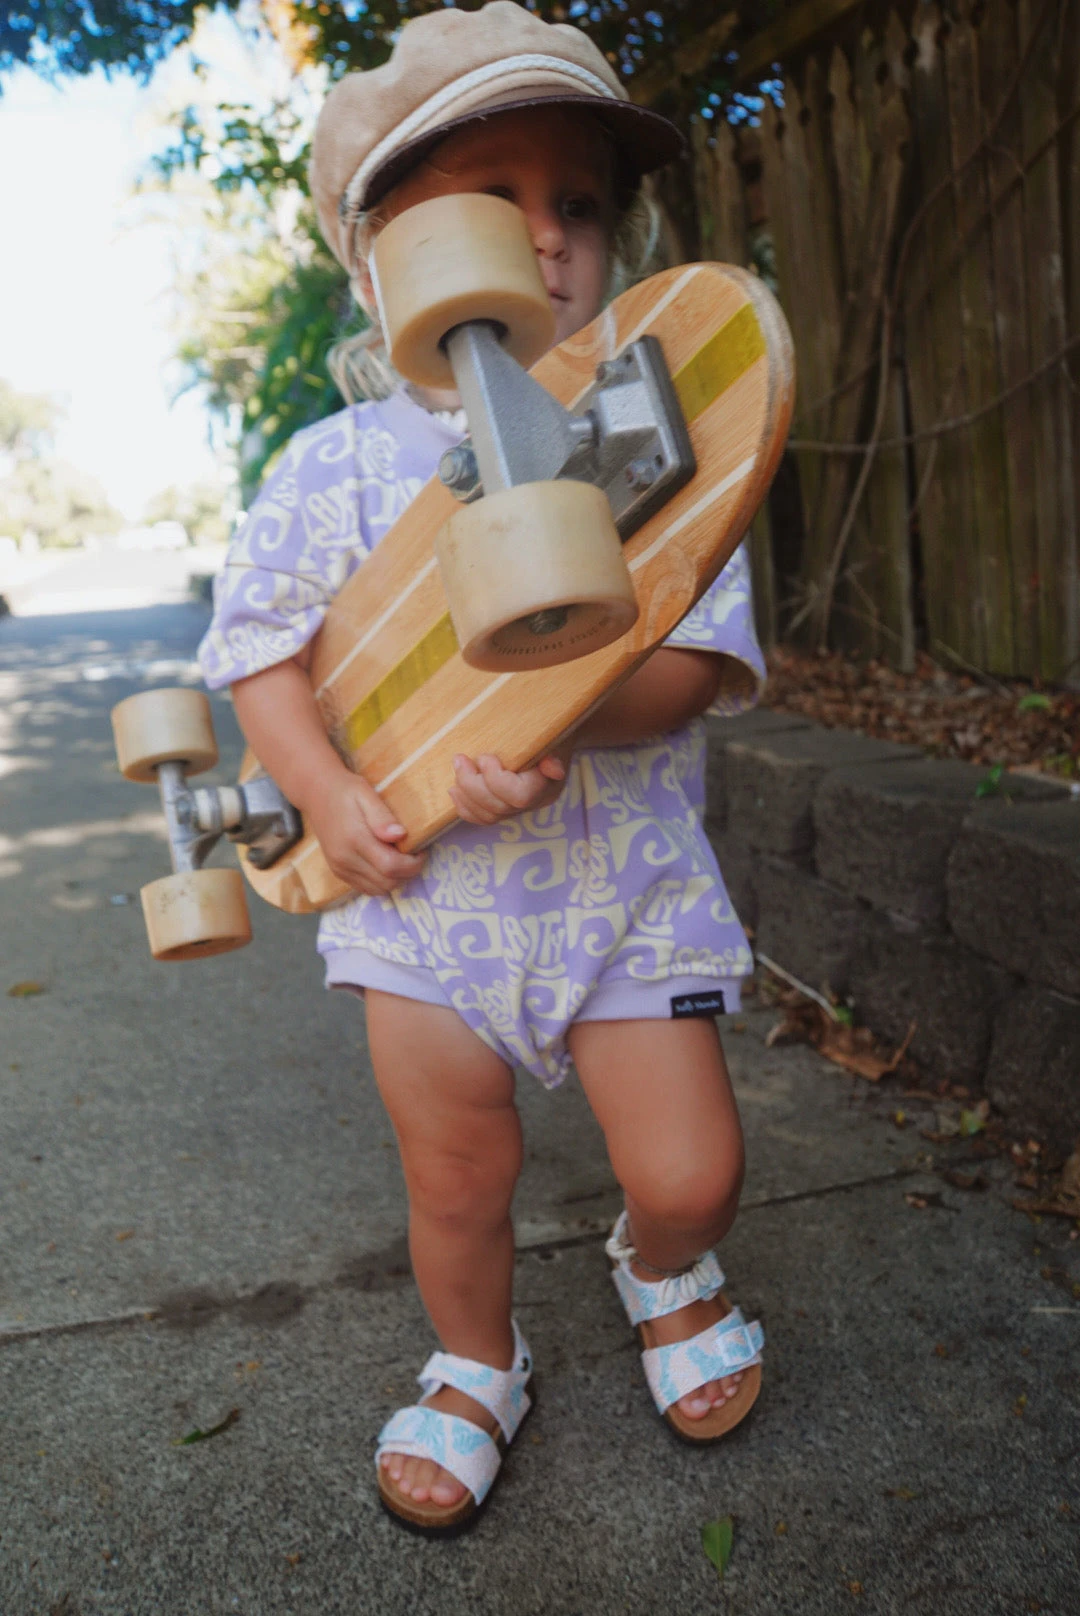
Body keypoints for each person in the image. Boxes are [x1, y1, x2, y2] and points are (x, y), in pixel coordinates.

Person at [199, 2, 765, 1535]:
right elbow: (260, 650)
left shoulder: (660, 429)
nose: (549, 232)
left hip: (622, 887)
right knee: (453, 1176)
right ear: (376, 262)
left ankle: (663, 1262)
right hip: (420, 902)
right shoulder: (331, 469)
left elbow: (696, 665)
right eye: (490, 199)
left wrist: (549, 708)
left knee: (692, 1169)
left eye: (577, 199)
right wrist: (326, 797)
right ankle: (473, 1360)